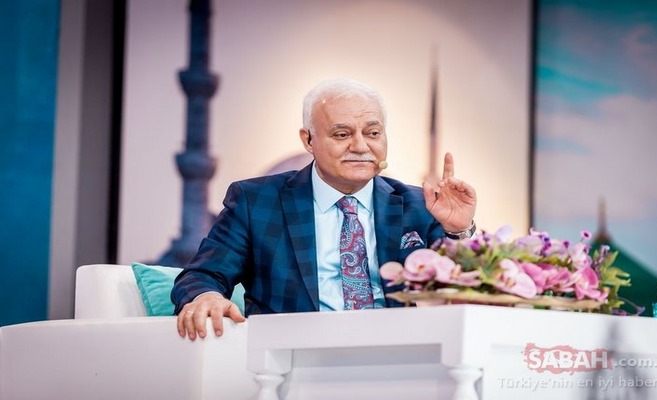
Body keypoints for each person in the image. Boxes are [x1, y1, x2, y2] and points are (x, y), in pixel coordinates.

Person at [172, 78, 477, 340]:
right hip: (295, 360)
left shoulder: (419, 204)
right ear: (308, 140)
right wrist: (207, 296)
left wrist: (457, 231)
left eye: (373, 133)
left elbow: (466, 291)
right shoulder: (257, 201)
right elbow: (202, 275)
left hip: (403, 356)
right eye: (342, 134)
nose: (361, 146)